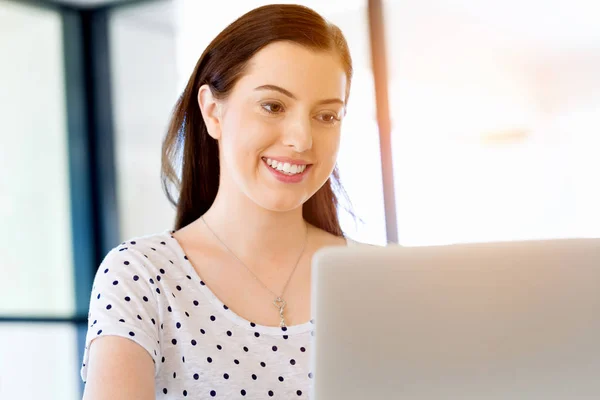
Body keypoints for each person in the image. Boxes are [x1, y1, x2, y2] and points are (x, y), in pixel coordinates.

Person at [81, 4, 358, 399]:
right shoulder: (141, 276)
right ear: (213, 111)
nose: (301, 139)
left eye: (327, 116)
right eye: (273, 106)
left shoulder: (379, 280)